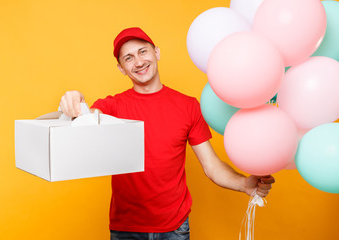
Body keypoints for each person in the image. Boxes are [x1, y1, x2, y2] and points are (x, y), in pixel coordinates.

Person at [59, 27, 275, 240]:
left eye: (143, 51)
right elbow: (85, 119)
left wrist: (244, 183)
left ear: (157, 53)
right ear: (121, 68)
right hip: (126, 230)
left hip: (175, 229)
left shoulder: (189, 106)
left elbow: (211, 166)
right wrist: (75, 102)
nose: (139, 62)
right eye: (128, 58)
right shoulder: (112, 107)